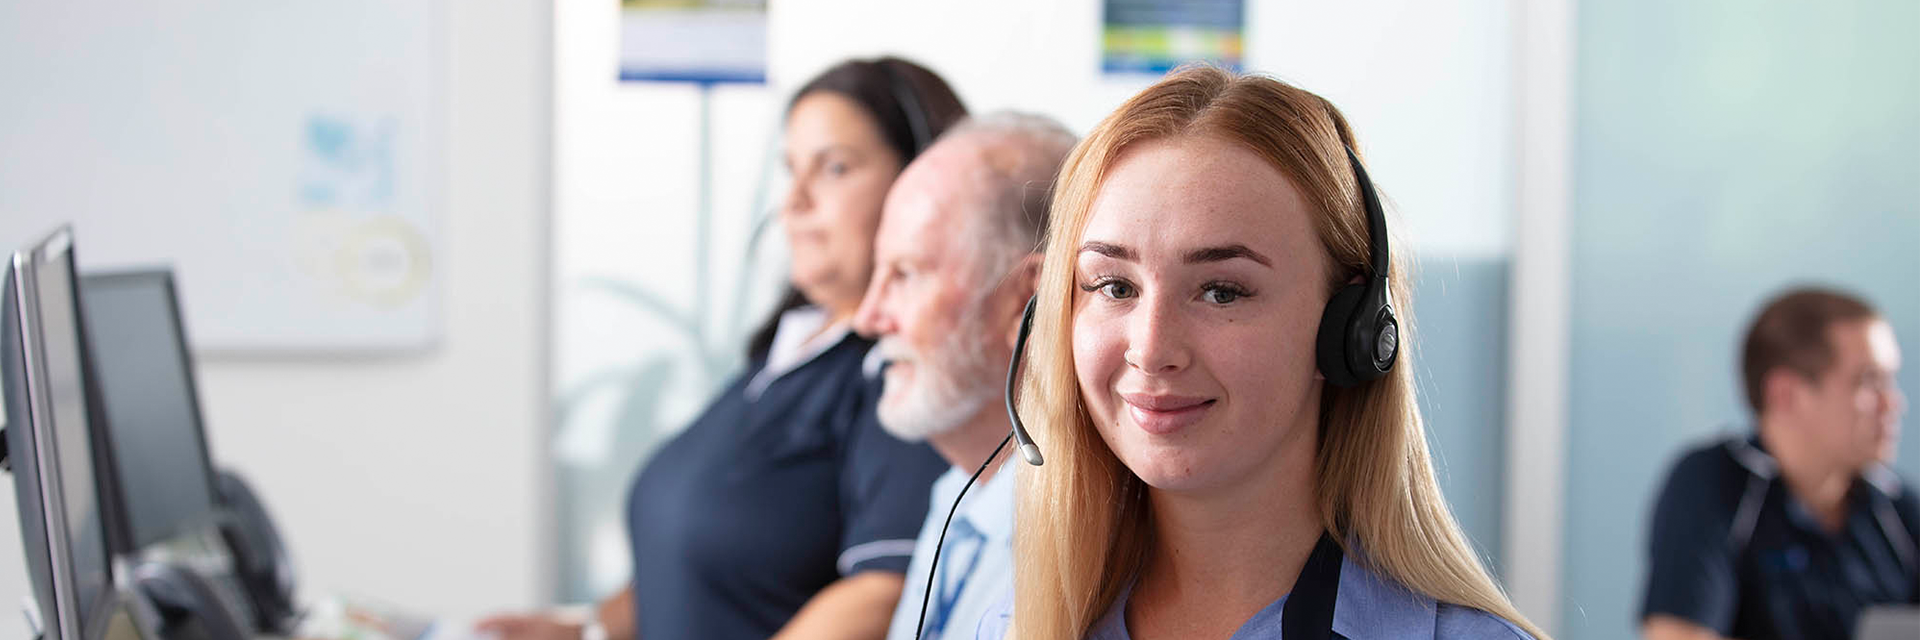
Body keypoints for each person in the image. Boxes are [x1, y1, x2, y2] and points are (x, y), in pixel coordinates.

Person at [977, 66, 1545, 639]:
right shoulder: (1013, 626)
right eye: (1115, 286)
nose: (1150, 350)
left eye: (1222, 291)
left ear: (1347, 329)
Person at [479, 56, 964, 640]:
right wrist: (585, 629)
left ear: (920, 185)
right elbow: (696, 572)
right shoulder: (780, 357)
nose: (795, 203)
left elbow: (884, 591)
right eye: (792, 171)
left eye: (834, 168)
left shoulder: (900, 371)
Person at [848, 112, 1077, 640]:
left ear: (1028, 301)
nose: (869, 316)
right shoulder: (960, 490)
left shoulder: (1077, 542)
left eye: (904, 274)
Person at [1641, 287, 1915, 640]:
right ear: (1785, 393)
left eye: (1890, 381)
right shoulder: (1713, 483)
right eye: (1868, 381)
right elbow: (1678, 636)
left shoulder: (1897, 511)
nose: (1893, 404)